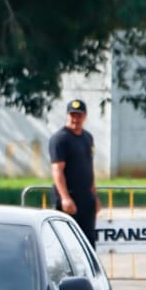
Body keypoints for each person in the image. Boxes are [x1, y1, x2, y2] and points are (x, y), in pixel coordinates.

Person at [50, 98, 100, 244]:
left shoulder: (87, 137)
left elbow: (89, 168)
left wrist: (94, 196)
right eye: (72, 115)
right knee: (68, 241)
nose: (75, 119)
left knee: (88, 241)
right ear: (67, 115)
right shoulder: (60, 139)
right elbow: (57, 170)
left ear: (85, 116)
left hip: (86, 197)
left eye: (79, 115)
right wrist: (65, 198)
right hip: (69, 197)